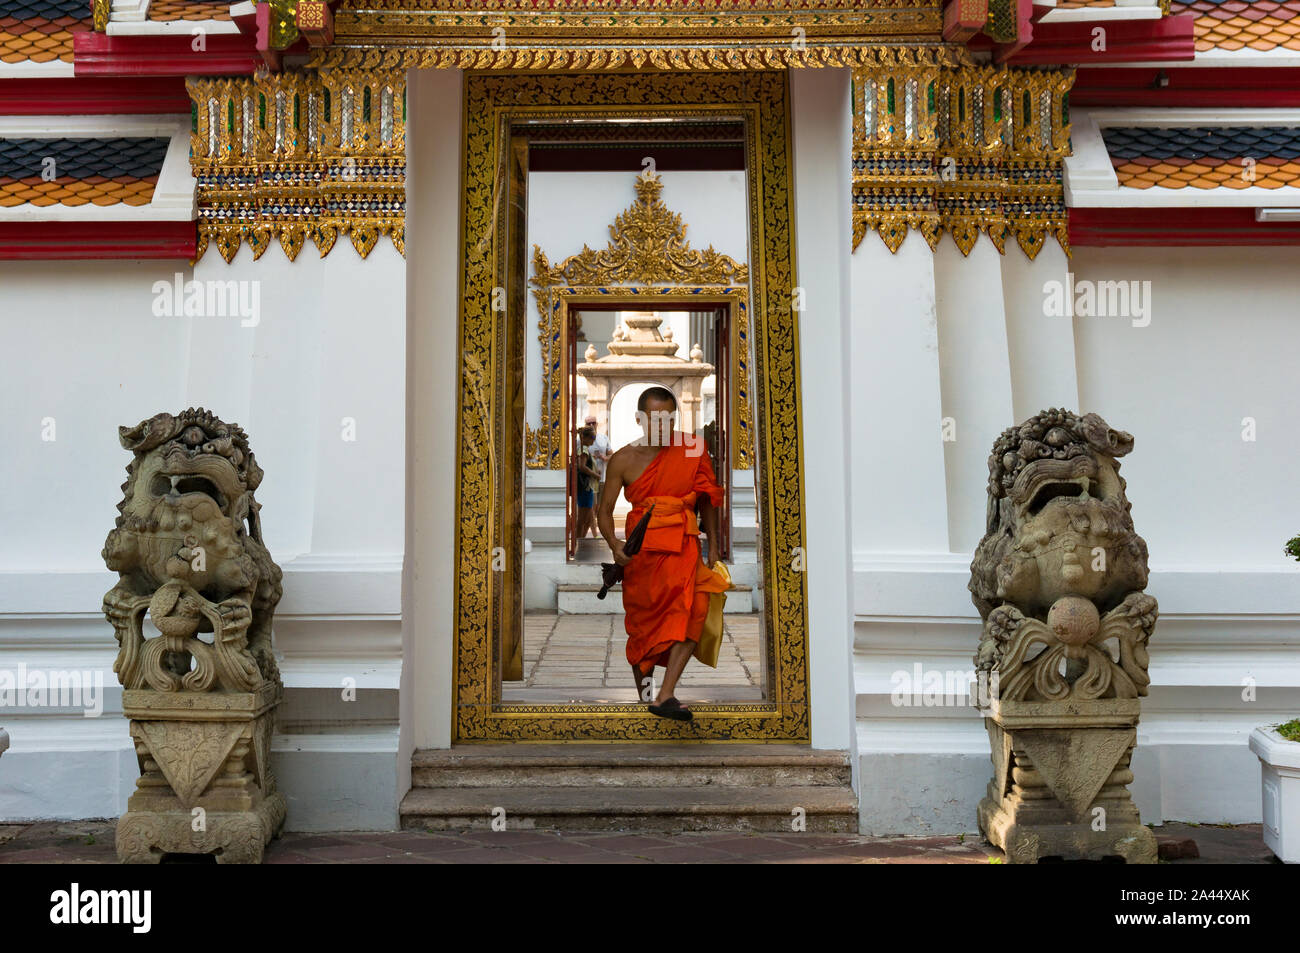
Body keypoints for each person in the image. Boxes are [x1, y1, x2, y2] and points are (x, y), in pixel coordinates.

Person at [596, 386, 729, 720]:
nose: (661, 425)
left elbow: (707, 499)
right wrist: (615, 547)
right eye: (654, 418)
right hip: (643, 554)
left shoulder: (692, 449)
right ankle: (647, 696)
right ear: (639, 419)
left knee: (695, 609)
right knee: (645, 631)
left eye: (668, 418)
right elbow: (604, 510)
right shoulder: (623, 459)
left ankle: (666, 693)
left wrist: (713, 547)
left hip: (684, 547)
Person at [573, 426, 600, 542]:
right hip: (585, 487)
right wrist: (595, 475)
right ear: (584, 437)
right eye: (592, 437)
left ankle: (580, 541)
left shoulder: (584, 449)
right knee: (582, 519)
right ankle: (578, 542)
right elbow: (582, 467)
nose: (594, 440)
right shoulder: (583, 450)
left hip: (587, 487)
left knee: (588, 518)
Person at [584, 414, 611, 495]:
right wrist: (590, 457)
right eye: (589, 423)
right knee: (589, 506)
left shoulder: (604, 438)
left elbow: (612, 455)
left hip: (602, 477)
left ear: (597, 424)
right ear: (585, 425)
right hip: (587, 479)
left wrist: (604, 457)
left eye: (593, 423)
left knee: (601, 505)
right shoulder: (580, 441)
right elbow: (576, 458)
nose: (591, 425)